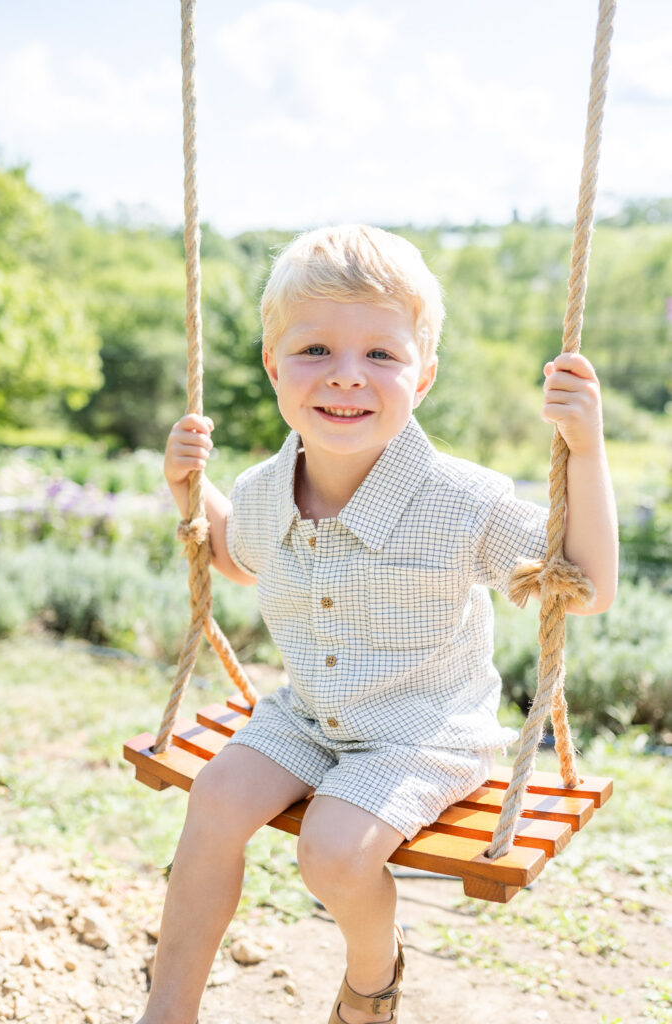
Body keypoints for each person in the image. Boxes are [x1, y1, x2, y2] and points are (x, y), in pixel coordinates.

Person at [138, 224, 618, 1024]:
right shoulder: (263, 488)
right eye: (315, 350)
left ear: (422, 375)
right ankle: (169, 1009)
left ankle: (372, 977)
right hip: (310, 716)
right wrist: (189, 489)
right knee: (214, 800)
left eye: (381, 356)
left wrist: (587, 450)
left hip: (422, 734)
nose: (346, 378)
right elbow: (231, 552)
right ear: (272, 366)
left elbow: (589, 586)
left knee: (329, 851)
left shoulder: (462, 503)